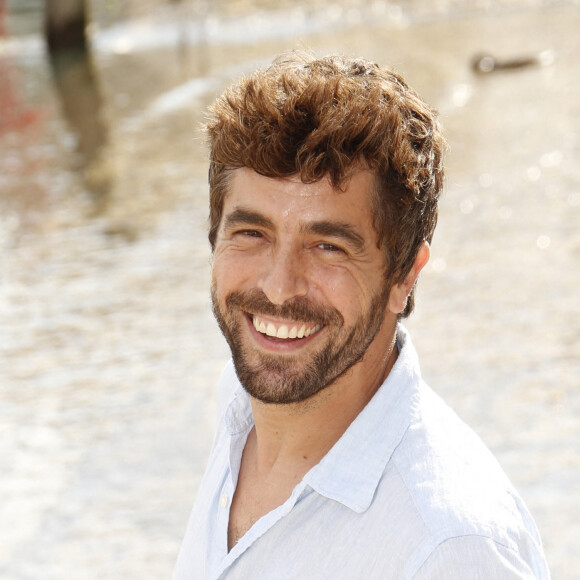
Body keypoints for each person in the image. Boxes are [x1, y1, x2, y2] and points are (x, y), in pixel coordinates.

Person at [174, 52, 550, 579]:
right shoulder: (242, 402)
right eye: (252, 233)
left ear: (404, 276)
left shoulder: (450, 550)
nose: (279, 288)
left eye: (328, 246)